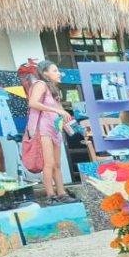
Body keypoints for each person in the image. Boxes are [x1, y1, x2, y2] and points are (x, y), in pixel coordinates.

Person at [27, 61, 73, 203]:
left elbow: (61, 112)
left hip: (55, 128)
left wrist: (70, 127)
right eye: (55, 70)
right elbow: (32, 103)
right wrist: (56, 110)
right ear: (45, 72)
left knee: (57, 164)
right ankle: (50, 195)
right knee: (48, 164)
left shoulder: (53, 89)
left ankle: (62, 193)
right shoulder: (40, 84)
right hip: (43, 128)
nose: (59, 73)